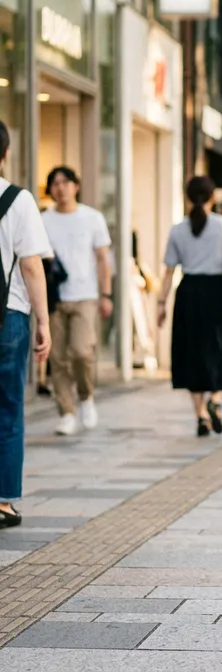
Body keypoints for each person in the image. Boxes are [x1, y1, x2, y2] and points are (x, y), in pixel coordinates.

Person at [157, 177, 222, 436]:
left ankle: (199, 415)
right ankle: (215, 400)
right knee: (220, 347)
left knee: (191, 352)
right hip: (218, 293)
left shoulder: (177, 229)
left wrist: (161, 303)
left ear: (188, 197)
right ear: (212, 197)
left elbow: (168, 272)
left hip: (188, 294)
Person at [0, 121, 52, 529]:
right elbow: (32, 265)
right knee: (9, 410)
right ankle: (2, 502)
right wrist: (44, 323)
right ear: (6, 153)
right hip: (8, 317)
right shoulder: (17, 201)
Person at [41, 167, 113, 436]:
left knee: (82, 352)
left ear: (76, 186)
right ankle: (67, 412)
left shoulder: (92, 218)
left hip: (85, 295)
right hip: (54, 297)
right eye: (55, 184)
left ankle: (86, 397)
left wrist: (106, 295)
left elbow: (103, 259)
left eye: (65, 182)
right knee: (57, 357)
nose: (60, 188)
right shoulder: (43, 220)